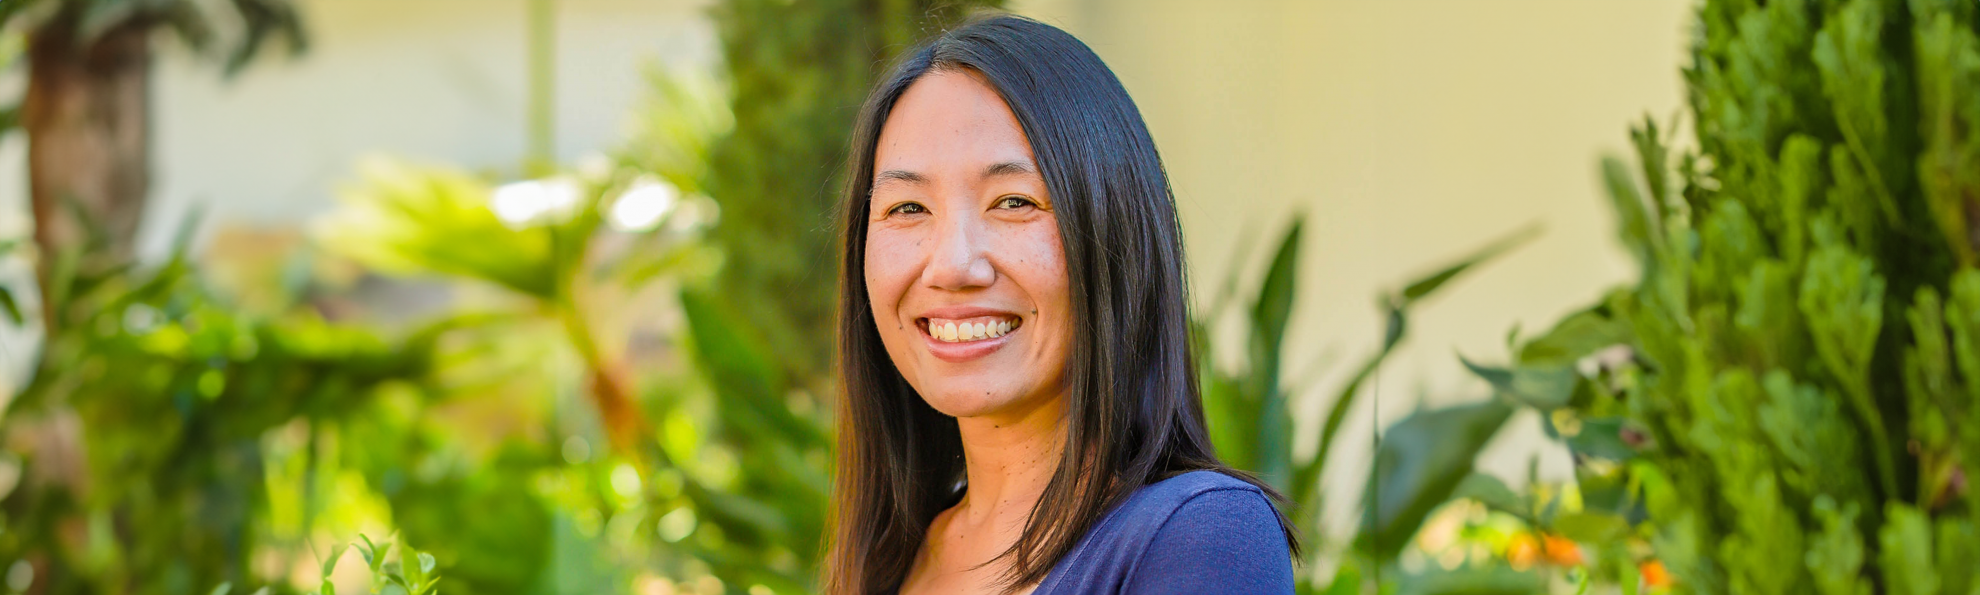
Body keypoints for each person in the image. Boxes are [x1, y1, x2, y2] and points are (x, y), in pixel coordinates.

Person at [825, 14, 1299, 595]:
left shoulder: (1201, 536)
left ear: (1115, 234)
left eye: (1014, 201)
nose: (952, 264)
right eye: (907, 208)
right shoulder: (893, 557)